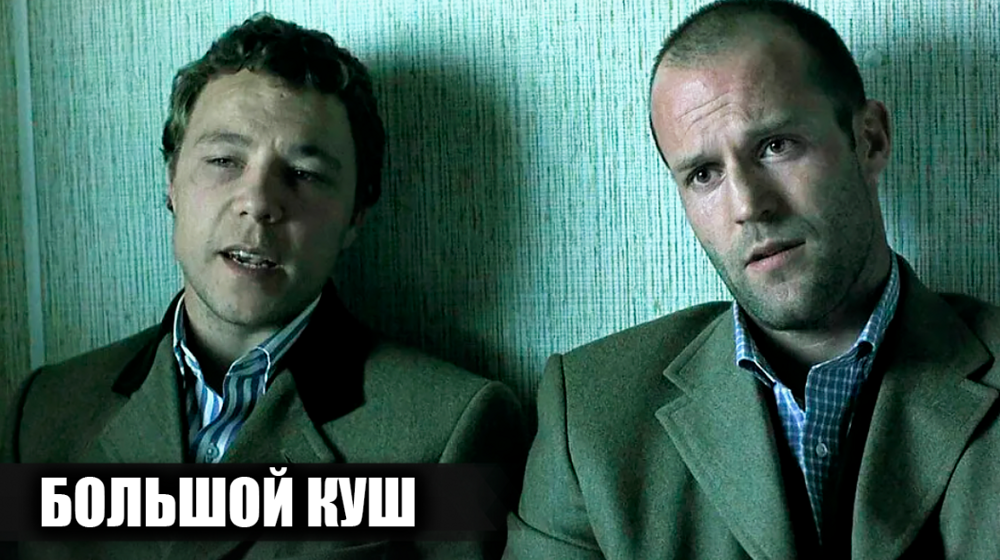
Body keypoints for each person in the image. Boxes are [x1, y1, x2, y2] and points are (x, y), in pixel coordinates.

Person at [4, 13, 526, 559]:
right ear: (172, 182)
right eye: (223, 160)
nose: (257, 202)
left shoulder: (450, 430)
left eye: (303, 174)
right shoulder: (45, 410)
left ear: (356, 215)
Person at [506, 1, 1000, 558]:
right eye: (703, 174)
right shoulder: (591, 417)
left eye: (776, 146)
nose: (747, 205)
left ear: (870, 140)